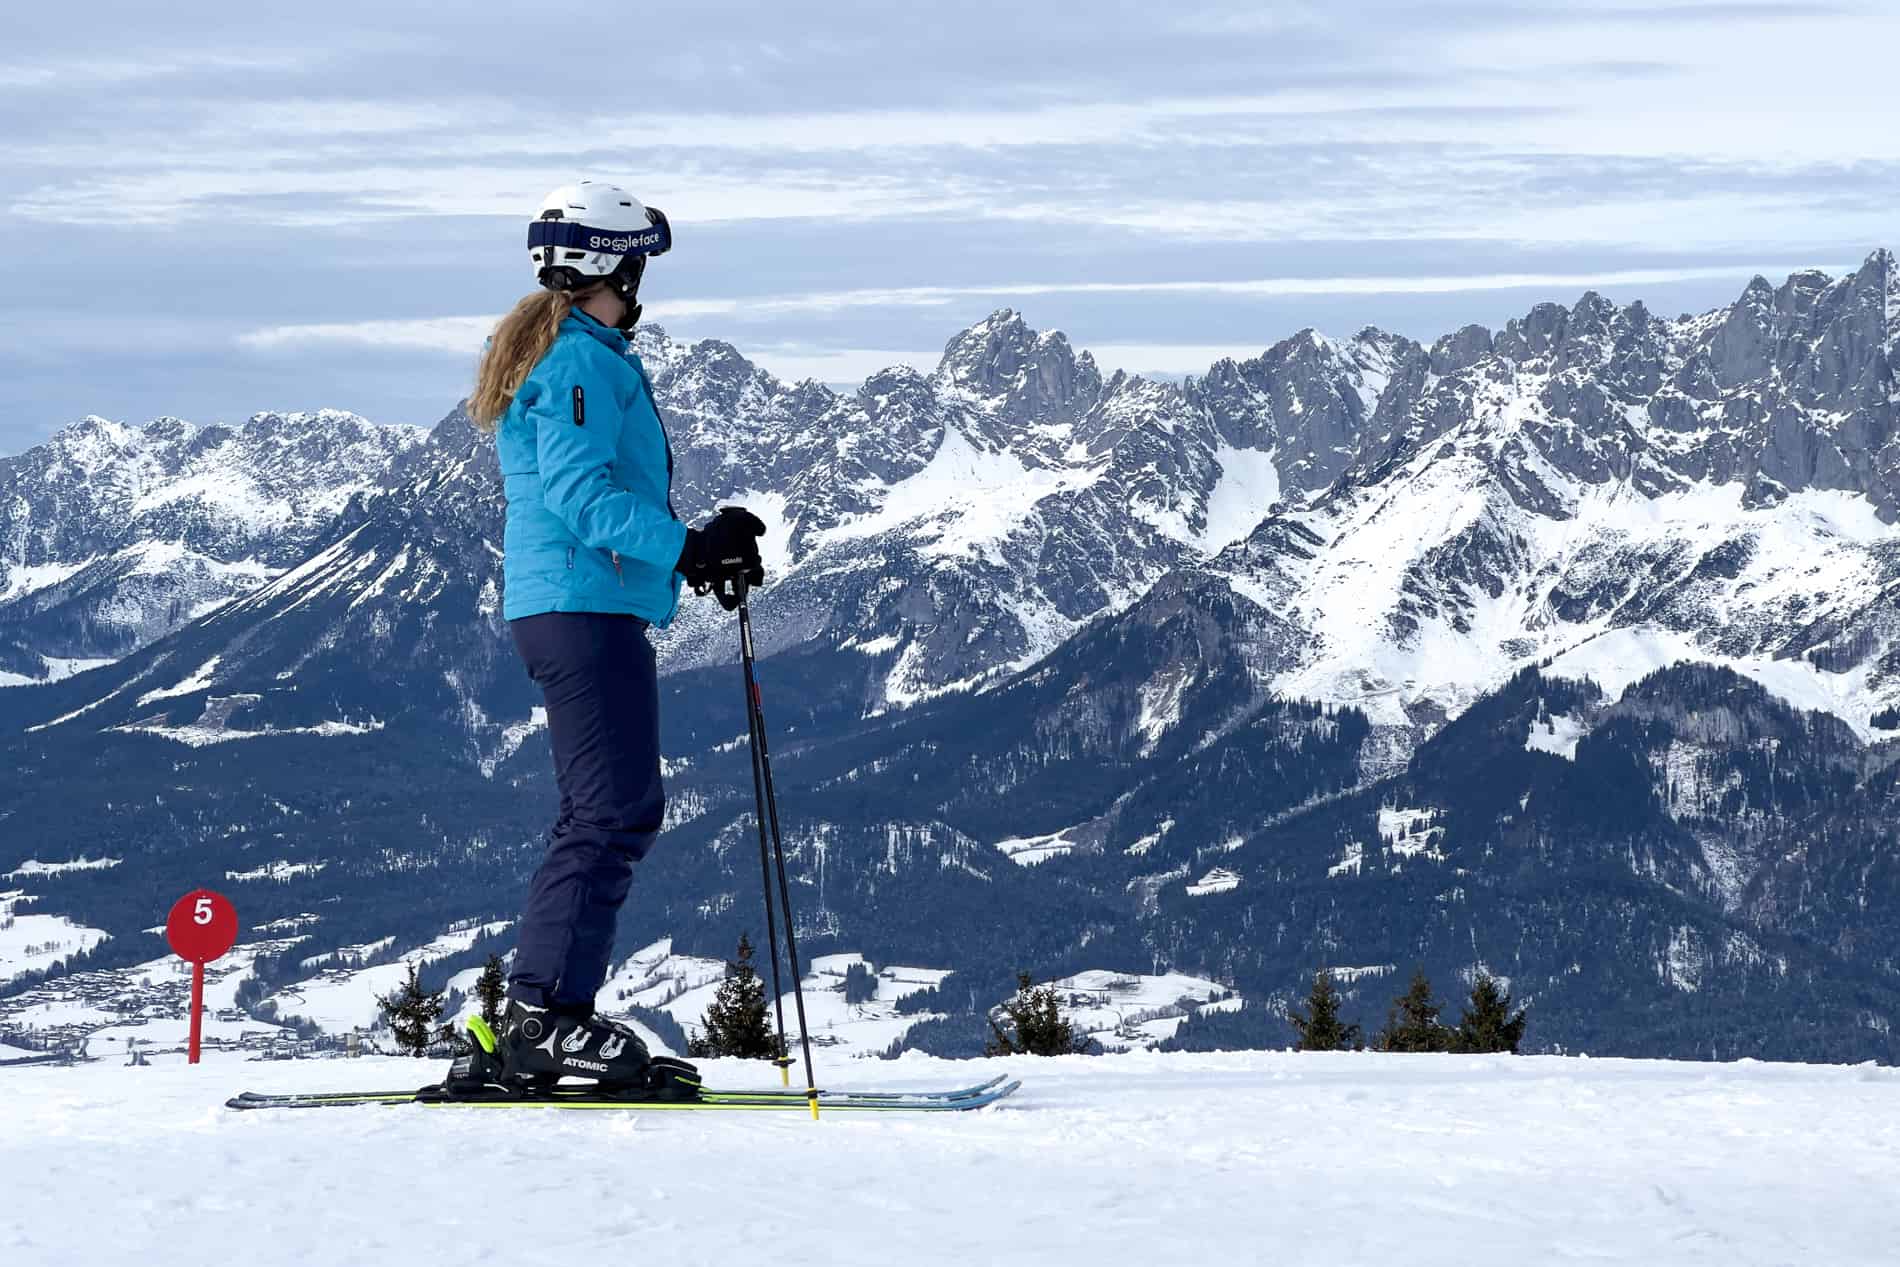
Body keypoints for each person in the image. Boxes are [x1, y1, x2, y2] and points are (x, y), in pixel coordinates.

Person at [461, 180, 766, 1097]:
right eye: (638, 267)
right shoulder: (581, 361)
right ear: (614, 267)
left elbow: (589, 499)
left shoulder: (564, 353)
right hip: (582, 612)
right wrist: (688, 543)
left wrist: (690, 558)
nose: (642, 285)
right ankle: (543, 1018)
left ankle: (539, 1015)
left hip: (581, 604)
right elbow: (582, 500)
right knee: (609, 812)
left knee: (610, 809)